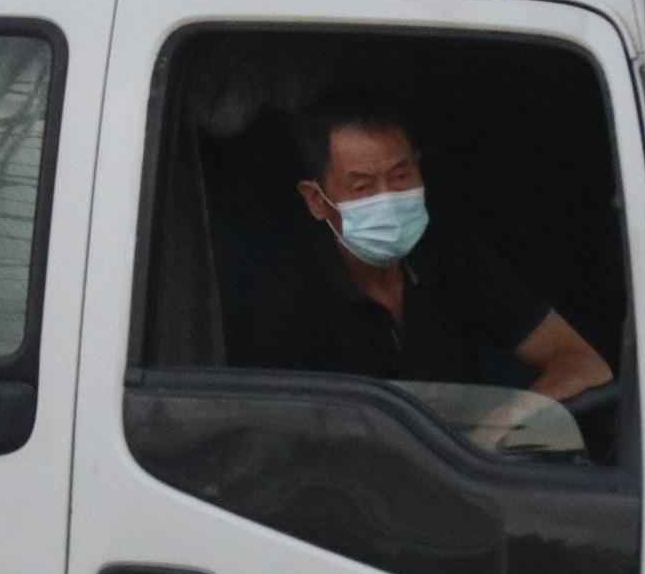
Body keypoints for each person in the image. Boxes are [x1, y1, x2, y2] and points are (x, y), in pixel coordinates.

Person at [225, 97, 612, 445]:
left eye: (400, 177)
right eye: (362, 187)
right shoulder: (283, 306)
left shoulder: (448, 256)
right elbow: (275, 447)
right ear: (316, 200)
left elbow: (582, 363)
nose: (388, 200)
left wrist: (501, 426)